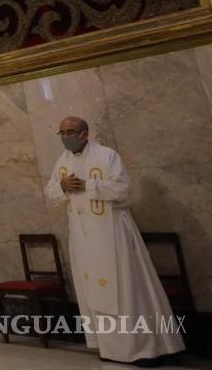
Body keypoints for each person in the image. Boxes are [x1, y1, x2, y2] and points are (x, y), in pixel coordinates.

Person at [45, 116, 184, 366]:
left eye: (71, 131)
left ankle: (143, 349)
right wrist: (62, 186)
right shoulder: (62, 162)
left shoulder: (106, 156)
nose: (66, 136)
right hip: (82, 236)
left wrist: (89, 185)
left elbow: (122, 188)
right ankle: (110, 347)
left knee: (125, 288)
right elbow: (51, 193)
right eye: (62, 132)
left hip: (112, 232)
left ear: (85, 134)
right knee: (93, 290)